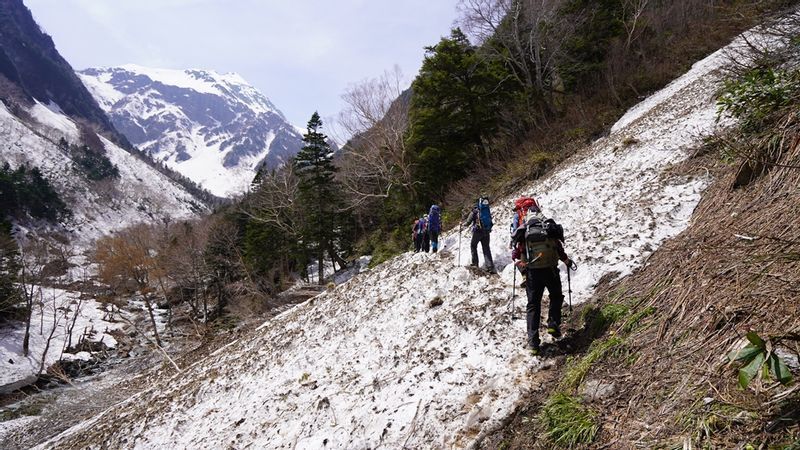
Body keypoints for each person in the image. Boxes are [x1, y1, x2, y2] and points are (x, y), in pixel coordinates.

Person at [511, 207, 573, 355]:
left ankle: (533, 343)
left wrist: (520, 265)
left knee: (533, 305)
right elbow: (558, 248)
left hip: (533, 273)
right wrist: (567, 261)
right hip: (550, 270)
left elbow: (517, 253)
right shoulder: (548, 227)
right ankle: (553, 324)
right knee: (556, 296)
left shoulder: (524, 230)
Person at [463, 195, 495, 273]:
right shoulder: (487, 209)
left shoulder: (475, 211)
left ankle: (475, 263)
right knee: (486, 248)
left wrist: (463, 224)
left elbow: (468, 222)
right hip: (487, 231)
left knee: (473, 246)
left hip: (478, 232)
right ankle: (490, 266)